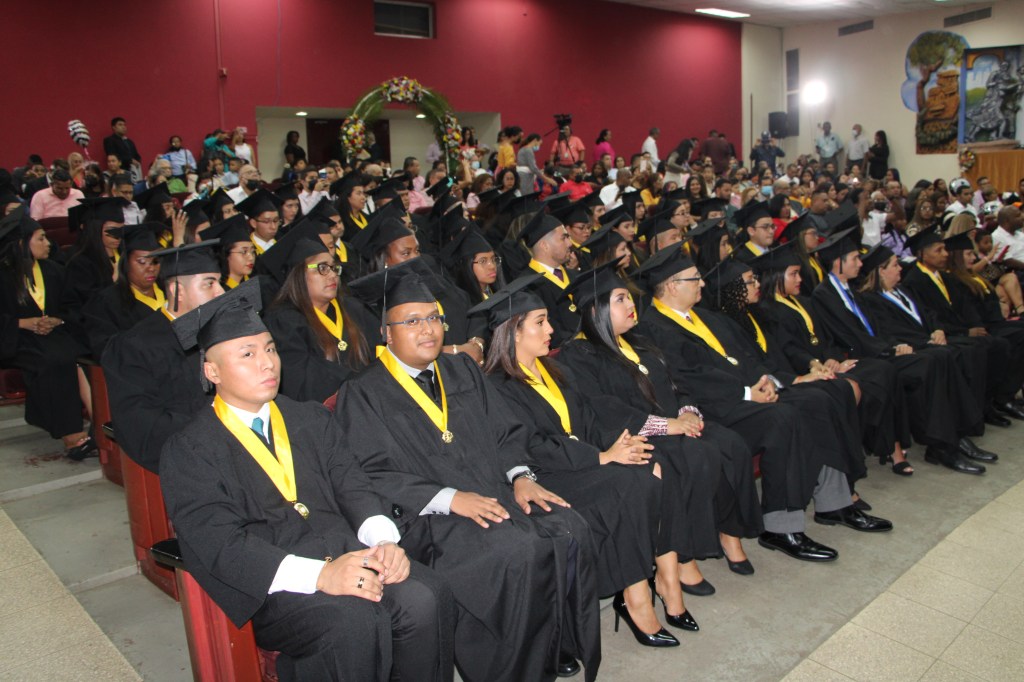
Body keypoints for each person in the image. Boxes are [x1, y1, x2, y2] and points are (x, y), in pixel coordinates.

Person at [161, 279, 455, 681]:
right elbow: (220, 543)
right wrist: (319, 575)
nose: (267, 363)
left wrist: (384, 542)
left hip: (350, 552)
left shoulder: (310, 418)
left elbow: (354, 486)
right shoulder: (190, 449)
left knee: (428, 596)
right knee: (353, 620)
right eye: (247, 354)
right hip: (277, 583)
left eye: (270, 349)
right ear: (212, 370)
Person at [335, 260, 600, 682]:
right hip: (427, 520)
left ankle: (553, 644)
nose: (428, 329)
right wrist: (449, 498)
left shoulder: (462, 370)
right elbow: (371, 472)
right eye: (412, 321)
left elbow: (506, 432)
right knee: (515, 550)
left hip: (493, 493)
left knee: (570, 527)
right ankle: (510, 669)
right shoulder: (363, 393)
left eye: (435, 317)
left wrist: (520, 477)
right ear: (386, 333)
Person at [635, 247, 893, 562]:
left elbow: (746, 357)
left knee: (823, 398)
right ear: (673, 285)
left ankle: (834, 502)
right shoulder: (652, 328)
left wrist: (766, 381)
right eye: (696, 279)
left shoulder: (706, 318)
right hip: (712, 408)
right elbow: (687, 378)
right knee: (782, 418)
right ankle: (781, 526)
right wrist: (747, 392)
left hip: (748, 395)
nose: (703, 284)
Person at [479, 275, 689, 648]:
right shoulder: (496, 386)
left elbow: (589, 420)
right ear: (512, 333)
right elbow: (534, 446)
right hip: (547, 475)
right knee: (631, 483)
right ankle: (635, 595)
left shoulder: (555, 370)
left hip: (584, 461)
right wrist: (603, 457)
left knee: (655, 464)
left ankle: (663, 577)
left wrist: (619, 445)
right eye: (540, 323)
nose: (551, 330)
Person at [555, 266, 763, 594]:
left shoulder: (639, 342)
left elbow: (677, 383)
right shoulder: (578, 355)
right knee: (694, 457)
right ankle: (681, 555)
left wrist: (688, 412)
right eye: (620, 299)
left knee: (730, 443)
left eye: (628, 297)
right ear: (596, 310)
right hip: (635, 436)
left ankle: (729, 531)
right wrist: (668, 426)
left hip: (674, 424)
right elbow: (606, 411)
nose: (631, 304)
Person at [811, 228, 993, 474]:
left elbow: (876, 328)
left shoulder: (850, 291)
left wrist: (893, 344)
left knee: (941, 357)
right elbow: (850, 336)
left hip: (879, 350)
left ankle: (952, 437)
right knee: (929, 362)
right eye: (854, 258)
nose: (859, 262)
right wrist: (890, 349)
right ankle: (943, 444)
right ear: (838, 263)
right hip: (865, 358)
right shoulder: (825, 295)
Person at [753, 241, 910, 475]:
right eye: (794, 274)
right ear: (776, 276)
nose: (800, 280)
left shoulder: (804, 302)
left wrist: (833, 358)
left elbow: (826, 337)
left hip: (826, 365)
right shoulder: (767, 310)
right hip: (805, 370)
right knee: (861, 384)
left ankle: (892, 446)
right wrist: (814, 364)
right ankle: (875, 450)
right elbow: (788, 349)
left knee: (883, 370)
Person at [102, 242, 225, 472]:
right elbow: (142, 425)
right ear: (177, 289)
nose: (221, 292)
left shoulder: (224, 333)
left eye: (219, 281)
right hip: (191, 458)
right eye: (209, 283)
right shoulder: (134, 346)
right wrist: (220, 426)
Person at [0, 209, 95, 460]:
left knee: (84, 355)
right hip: (14, 338)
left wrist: (58, 319)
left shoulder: (54, 271)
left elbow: (73, 307)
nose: (48, 243)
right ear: (22, 243)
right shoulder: (3, 276)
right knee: (56, 360)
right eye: (40, 238)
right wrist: (23, 323)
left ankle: (101, 425)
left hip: (54, 333)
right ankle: (71, 435)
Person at [260, 225, 376, 403]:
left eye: (333, 267)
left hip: (369, 401)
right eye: (322, 268)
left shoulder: (354, 308)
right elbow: (301, 379)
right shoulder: (284, 322)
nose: (332, 275)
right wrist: (357, 383)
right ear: (298, 275)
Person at [81, 223, 165, 359]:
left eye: (155, 261)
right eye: (142, 262)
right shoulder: (107, 302)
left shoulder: (171, 293)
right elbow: (105, 348)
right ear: (125, 263)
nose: (151, 268)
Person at [518, 210, 580, 347]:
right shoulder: (527, 288)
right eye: (564, 238)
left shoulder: (574, 276)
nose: (570, 243)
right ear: (545, 245)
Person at [103, 117, 142, 182]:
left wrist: (137, 161)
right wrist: (130, 160)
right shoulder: (110, 140)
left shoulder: (129, 141)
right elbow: (112, 155)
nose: (123, 127)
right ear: (114, 127)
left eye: (124, 125)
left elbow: (136, 155)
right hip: (119, 172)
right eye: (120, 125)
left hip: (133, 172)